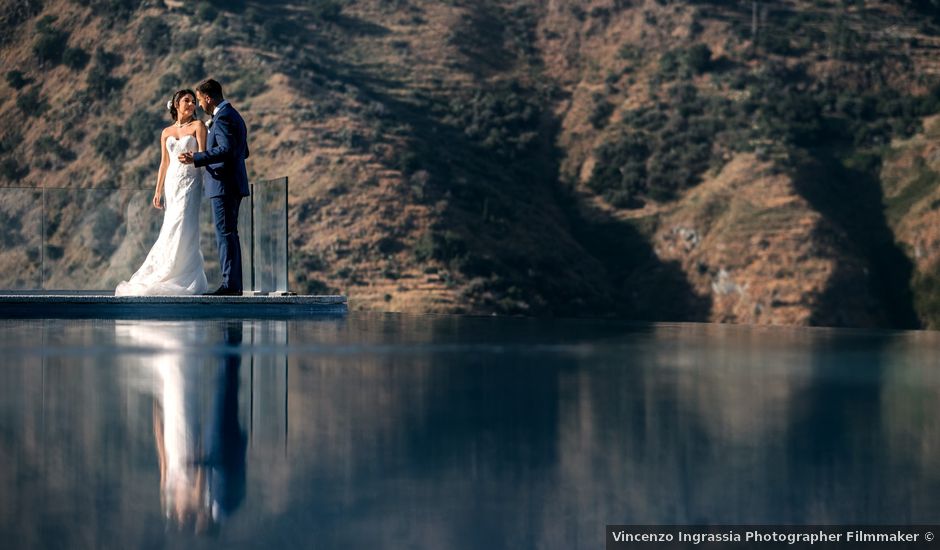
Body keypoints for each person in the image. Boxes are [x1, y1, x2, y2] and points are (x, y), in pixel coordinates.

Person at [115, 89, 208, 296]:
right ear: (176, 104)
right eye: (187, 100)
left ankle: (182, 272)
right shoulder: (166, 132)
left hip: (191, 181)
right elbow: (164, 163)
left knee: (184, 224)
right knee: (170, 224)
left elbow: (204, 154)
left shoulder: (198, 126)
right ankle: (164, 268)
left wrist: (196, 161)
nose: (192, 104)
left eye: (194, 101)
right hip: (172, 183)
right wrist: (158, 191)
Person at [179, 78, 250, 296]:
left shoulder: (223, 118)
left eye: (200, 100)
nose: (200, 105)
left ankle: (230, 286)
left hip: (224, 185)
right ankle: (233, 284)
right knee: (229, 234)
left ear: (208, 98)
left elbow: (227, 149)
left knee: (225, 235)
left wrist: (197, 158)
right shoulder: (233, 115)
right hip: (231, 184)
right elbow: (243, 152)